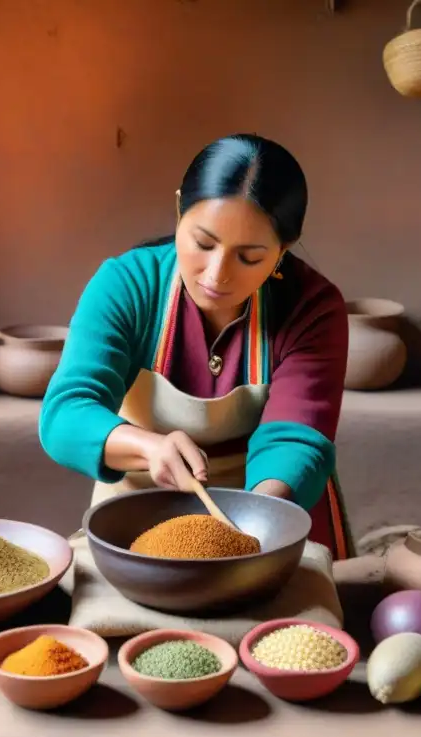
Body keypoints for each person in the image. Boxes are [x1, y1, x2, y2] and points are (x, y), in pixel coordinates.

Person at [39, 134, 352, 559]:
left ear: (284, 250)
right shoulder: (128, 284)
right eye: (203, 243)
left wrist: (251, 527)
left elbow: (294, 438)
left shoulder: (312, 307)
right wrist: (148, 447)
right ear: (178, 208)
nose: (217, 274)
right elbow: (65, 413)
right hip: (139, 510)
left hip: (270, 507)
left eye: (249, 257)